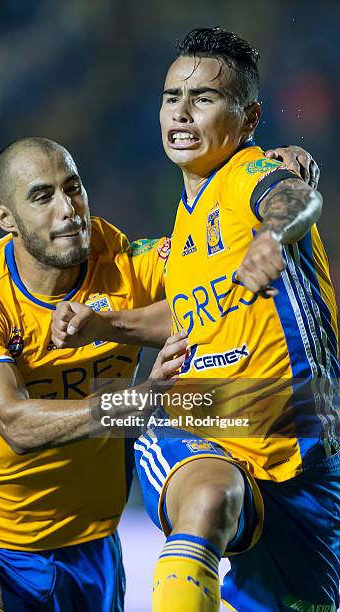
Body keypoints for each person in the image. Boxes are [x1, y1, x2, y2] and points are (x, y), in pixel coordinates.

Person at [51, 28, 339, 612]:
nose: (180, 113)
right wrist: (107, 325)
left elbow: (295, 198)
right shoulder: (185, 227)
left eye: (203, 99)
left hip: (301, 429)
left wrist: (269, 236)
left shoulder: (247, 175)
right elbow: (184, 311)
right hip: (215, 408)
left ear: (250, 117)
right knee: (172, 457)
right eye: (169, 98)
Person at [0, 136, 173, 612]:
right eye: (42, 197)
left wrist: (263, 183)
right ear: (6, 219)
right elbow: (16, 423)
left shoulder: (125, 262)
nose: (68, 209)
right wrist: (138, 402)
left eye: (73, 188)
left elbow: (225, 269)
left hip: (91, 547)